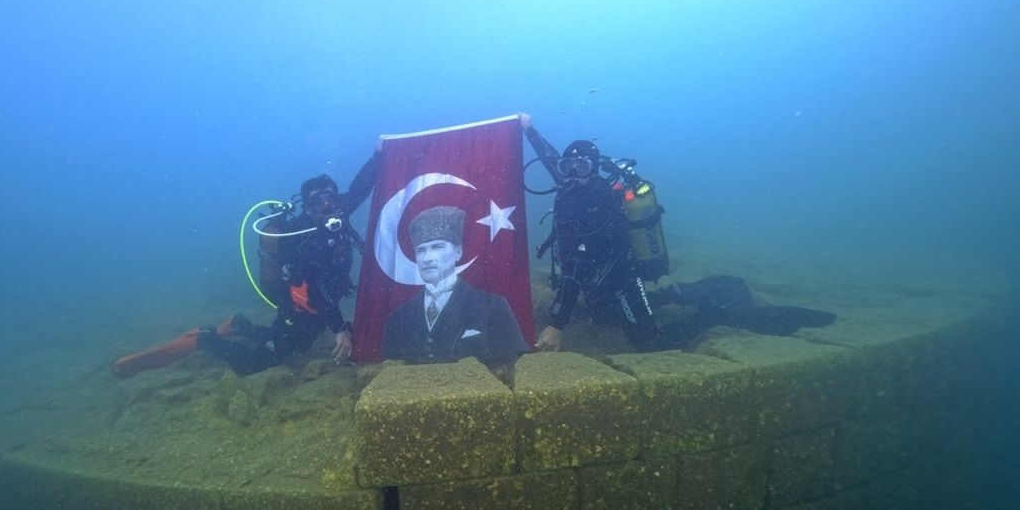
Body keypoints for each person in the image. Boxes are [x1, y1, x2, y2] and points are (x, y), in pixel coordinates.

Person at [534, 139, 833, 353]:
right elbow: (549, 159)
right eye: (567, 165)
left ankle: (713, 314)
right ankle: (670, 295)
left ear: (595, 168)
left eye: (582, 166)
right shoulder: (571, 189)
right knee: (602, 317)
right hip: (595, 280)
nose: (572, 174)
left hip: (620, 278)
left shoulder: (598, 201)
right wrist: (528, 129)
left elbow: (578, 263)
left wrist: (557, 324)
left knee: (649, 342)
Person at [111, 152, 381, 378]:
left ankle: (241, 327)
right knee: (252, 364)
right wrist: (340, 329)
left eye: (331, 200)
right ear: (307, 209)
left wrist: (380, 154)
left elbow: (360, 187)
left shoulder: (340, 211)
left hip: (317, 309)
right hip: (300, 309)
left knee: (297, 346)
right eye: (318, 204)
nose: (328, 208)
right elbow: (318, 288)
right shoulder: (301, 239)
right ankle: (205, 338)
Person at [381, 206, 529, 365]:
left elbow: (516, 365)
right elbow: (390, 373)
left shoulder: (494, 306)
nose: (427, 258)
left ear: (458, 252)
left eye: (437, 247)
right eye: (420, 250)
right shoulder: (399, 318)